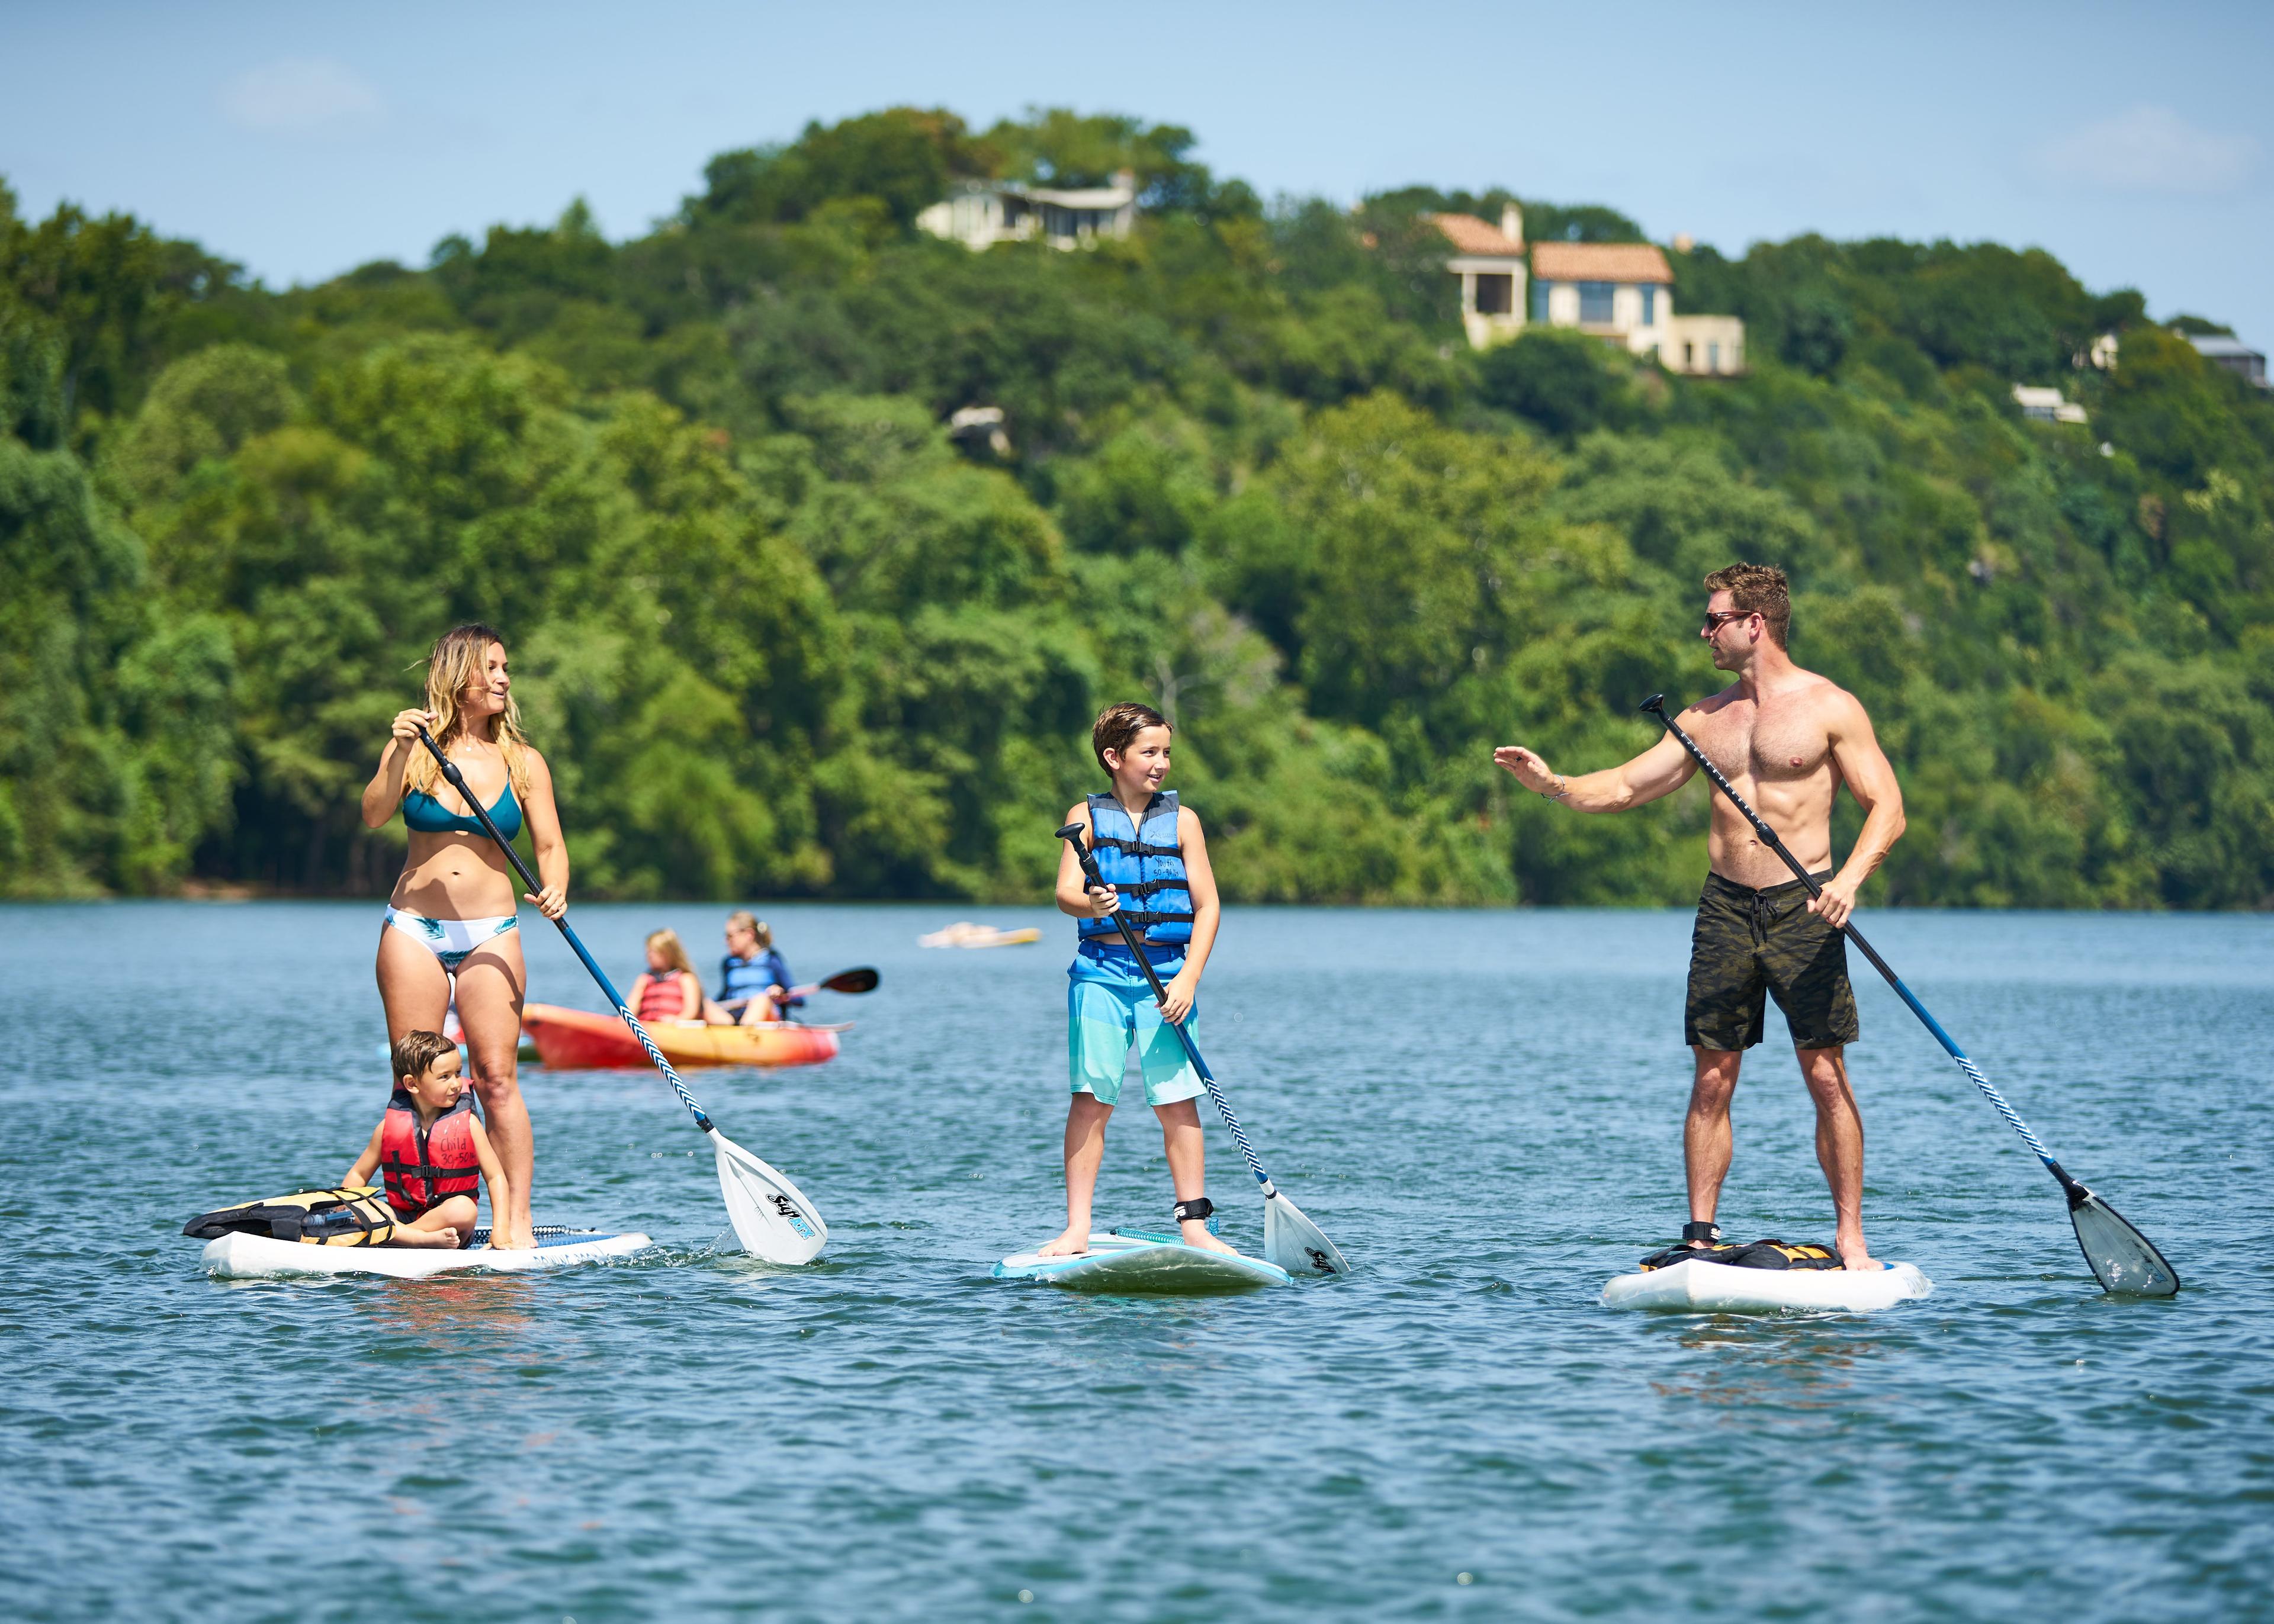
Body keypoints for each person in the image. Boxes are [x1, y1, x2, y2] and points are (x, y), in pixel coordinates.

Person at [1492, 563, 1906, 1272]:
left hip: (1805, 904)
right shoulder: (1703, 718)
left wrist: (1851, 880)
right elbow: (1625, 785)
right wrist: (1554, 785)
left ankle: (1852, 1240)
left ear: (1755, 623)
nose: (1703, 631)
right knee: (1712, 1076)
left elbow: (1889, 808)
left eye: (1714, 618)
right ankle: (1701, 1238)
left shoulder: (1830, 707)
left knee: (1825, 1074)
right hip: (1724, 908)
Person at [361, 623, 566, 1252]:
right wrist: (396, 753)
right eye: (493, 667)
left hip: (491, 934)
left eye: (507, 667)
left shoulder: (523, 761)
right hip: (411, 930)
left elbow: (550, 847)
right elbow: (373, 813)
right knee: (413, 1082)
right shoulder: (416, 748)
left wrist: (556, 889)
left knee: (497, 1078)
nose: (504, 678)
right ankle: (416, 1222)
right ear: (459, 675)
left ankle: (515, 1221)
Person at [1035, 702, 1233, 1259]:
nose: (1162, 763)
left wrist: (1189, 978)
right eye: (1150, 752)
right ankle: (1077, 1229)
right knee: (1091, 1098)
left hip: (1168, 977)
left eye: (1167, 752)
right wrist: (1093, 903)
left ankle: (1194, 1226)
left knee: (1177, 1101)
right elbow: (1065, 894)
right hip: (1100, 975)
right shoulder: (1088, 817)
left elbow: (1209, 906)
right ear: (1113, 757)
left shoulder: (1185, 821)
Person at [346, 1030, 511, 1249]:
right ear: (412, 1084)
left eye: (458, 1073)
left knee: (464, 1208)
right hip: (401, 1216)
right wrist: (347, 1206)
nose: (456, 1084)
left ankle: (398, 1237)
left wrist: (500, 1232)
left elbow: (495, 1177)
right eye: (445, 1077)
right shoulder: (387, 1128)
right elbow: (358, 1175)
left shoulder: (469, 1124)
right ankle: (417, 1239)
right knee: (356, 1208)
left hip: (447, 1226)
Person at [717, 911, 801, 1025]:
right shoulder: (728, 964)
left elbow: (799, 1001)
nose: (726, 941)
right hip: (735, 1018)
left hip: (767, 1020)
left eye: (730, 936)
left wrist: (781, 993)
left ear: (749, 935)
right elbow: (724, 997)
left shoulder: (771, 960)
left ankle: (744, 1034)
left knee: (760, 1000)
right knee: (704, 1004)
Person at [628, 928, 724, 1025]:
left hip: (674, 1027)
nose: (649, 956)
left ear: (668, 953)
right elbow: (631, 1007)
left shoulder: (686, 979)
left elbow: (691, 1011)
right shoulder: (644, 979)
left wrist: (677, 1020)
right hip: (646, 1026)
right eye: (648, 951)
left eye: (654, 952)